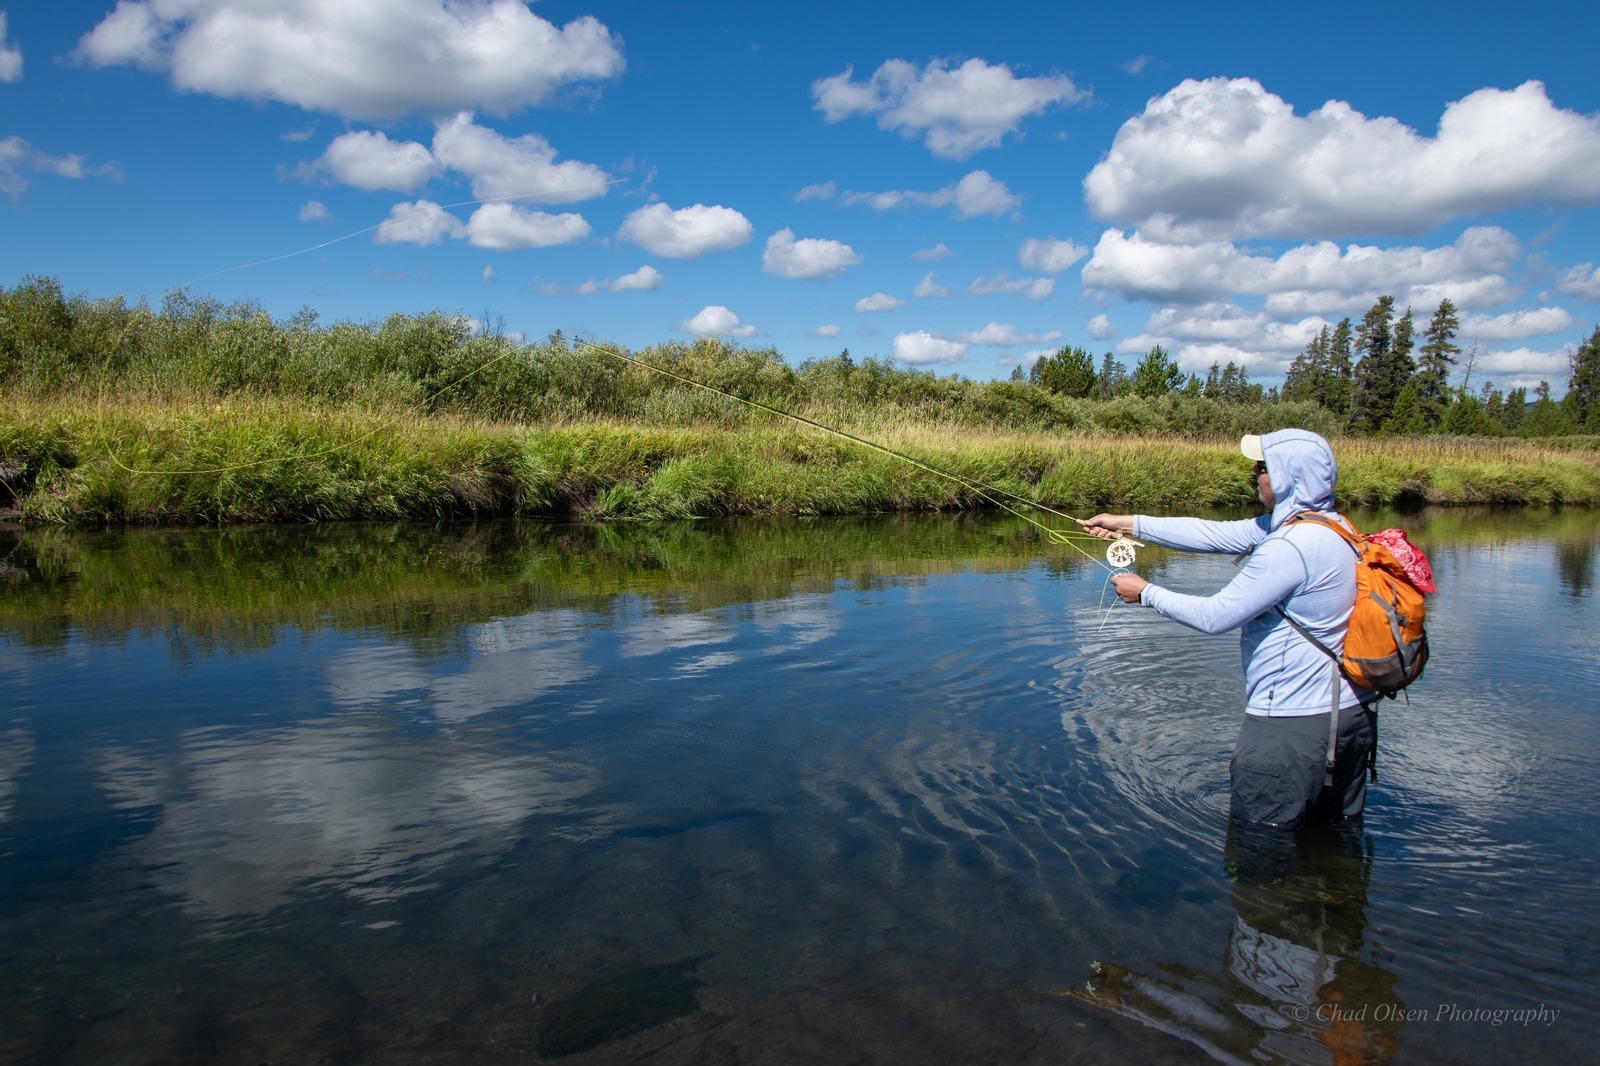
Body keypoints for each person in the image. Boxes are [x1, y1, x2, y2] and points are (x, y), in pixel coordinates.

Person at [1083, 429, 1376, 828]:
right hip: (1351, 717)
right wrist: (1127, 522)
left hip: (1290, 725)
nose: (1255, 475)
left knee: (1259, 852)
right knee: (1331, 841)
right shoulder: (1331, 526)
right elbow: (1214, 534)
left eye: (1262, 467)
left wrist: (1145, 592)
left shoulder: (1289, 546)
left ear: (1287, 476)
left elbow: (1215, 616)